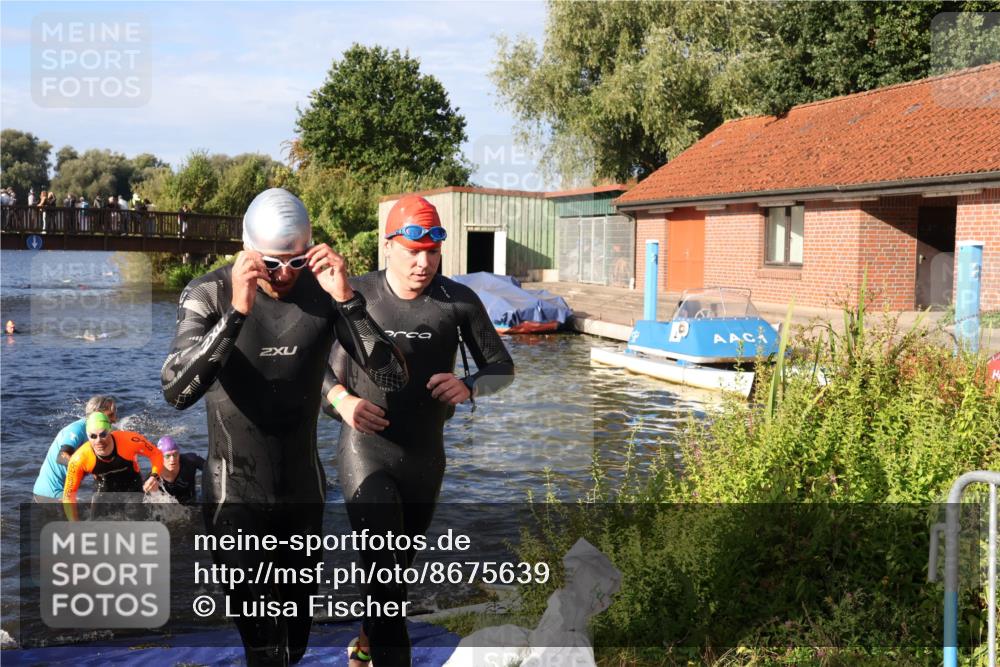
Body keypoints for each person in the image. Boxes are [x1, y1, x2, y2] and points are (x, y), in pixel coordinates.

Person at [160, 187, 407, 666]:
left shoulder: (325, 293)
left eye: (296, 261)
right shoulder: (209, 291)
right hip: (234, 495)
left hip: (302, 494)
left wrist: (349, 299)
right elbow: (176, 392)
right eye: (272, 264)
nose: (285, 275)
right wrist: (237, 312)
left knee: (294, 645)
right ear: (249, 252)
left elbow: (393, 376)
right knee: (263, 647)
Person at [324, 194, 514, 666]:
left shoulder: (457, 302)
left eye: (432, 252)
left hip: (425, 459)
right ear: (387, 246)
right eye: (412, 252)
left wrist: (470, 385)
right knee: (384, 572)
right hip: (366, 451)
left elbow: (501, 368)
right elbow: (310, 369)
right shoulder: (351, 294)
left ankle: (366, 642)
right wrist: (342, 400)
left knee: (393, 573)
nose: (422, 264)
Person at [62, 412, 163, 520]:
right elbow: (68, 496)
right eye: (93, 436)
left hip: (132, 485)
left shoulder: (129, 440)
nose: (98, 440)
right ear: (87, 435)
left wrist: (154, 475)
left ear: (110, 430)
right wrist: (74, 523)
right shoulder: (79, 459)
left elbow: (156, 454)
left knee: (138, 521)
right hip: (103, 488)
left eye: (103, 434)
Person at [32, 395, 117, 502]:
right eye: (111, 415)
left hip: (65, 491)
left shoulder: (101, 433)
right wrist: (90, 468)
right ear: (96, 414)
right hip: (49, 494)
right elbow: (61, 457)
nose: (114, 419)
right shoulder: (77, 429)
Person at [155, 436, 204, 505]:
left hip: (193, 501)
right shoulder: (154, 477)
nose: (172, 459)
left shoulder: (190, 460)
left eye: (175, 454)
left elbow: (211, 468)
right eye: (167, 456)